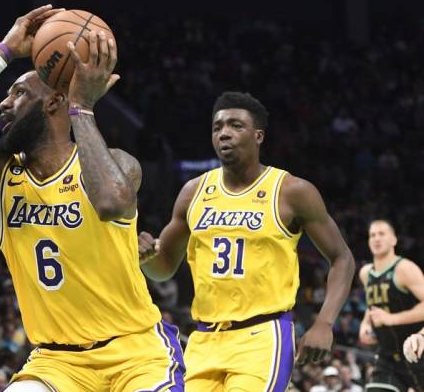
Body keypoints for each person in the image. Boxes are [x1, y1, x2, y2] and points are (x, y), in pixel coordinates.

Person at [0, 23, 185, 389]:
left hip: (136, 352)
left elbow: (111, 203)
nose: (2, 104)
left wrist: (82, 107)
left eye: (18, 93)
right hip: (56, 362)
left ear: (52, 101)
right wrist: (1, 53)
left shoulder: (117, 163)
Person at [140, 92, 355, 391]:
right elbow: (163, 269)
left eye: (235, 125)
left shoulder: (292, 191)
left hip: (262, 337)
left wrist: (324, 323)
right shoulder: (193, 192)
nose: (224, 133)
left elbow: (342, 258)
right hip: (204, 339)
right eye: (217, 127)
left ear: (258, 136)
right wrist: (147, 258)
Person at [358, 219, 424, 391]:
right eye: (372, 235)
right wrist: (365, 323)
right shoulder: (365, 273)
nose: (376, 239)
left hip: (417, 350)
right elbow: (373, 304)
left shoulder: (405, 268)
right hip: (388, 357)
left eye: (381, 234)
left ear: (394, 240)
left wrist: (391, 319)